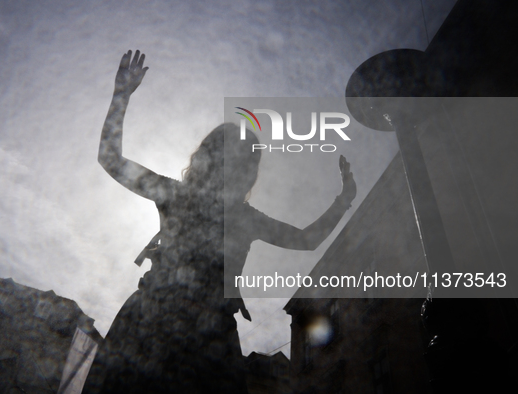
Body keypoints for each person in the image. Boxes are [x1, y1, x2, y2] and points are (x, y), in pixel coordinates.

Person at [82, 50, 356, 394]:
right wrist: (121, 95)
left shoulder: (225, 211)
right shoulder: (183, 197)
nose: (241, 169)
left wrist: (343, 200)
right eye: (236, 159)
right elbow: (109, 159)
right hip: (164, 327)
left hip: (189, 334)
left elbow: (306, 239)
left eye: (246, 164)